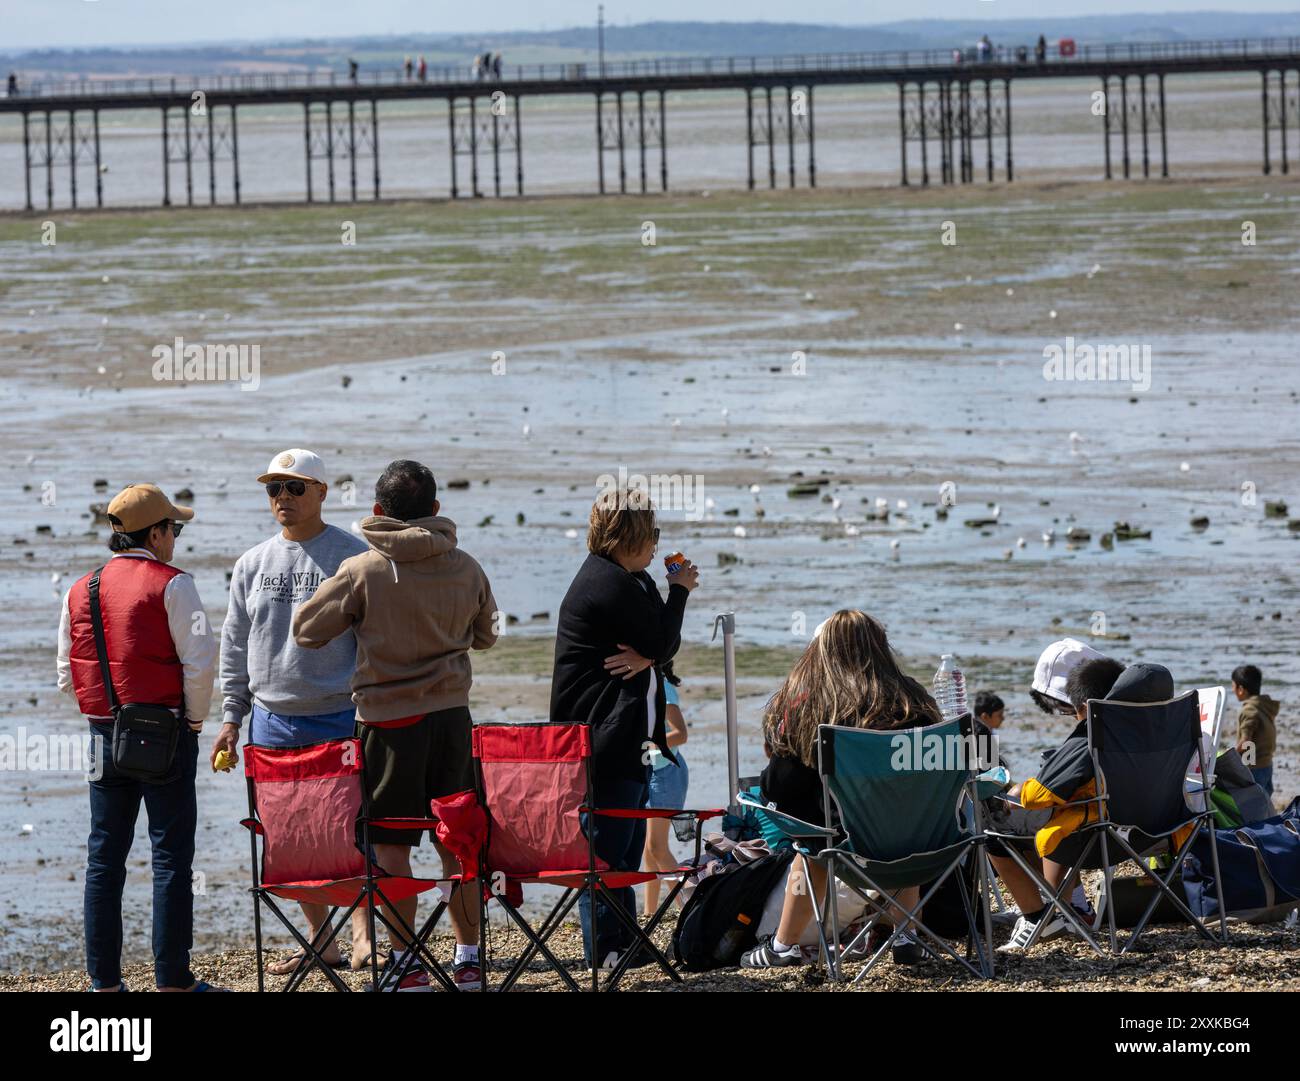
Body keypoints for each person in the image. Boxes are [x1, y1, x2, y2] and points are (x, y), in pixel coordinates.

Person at [293, 460, 497, 991]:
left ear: (379, 512)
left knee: (390, 845)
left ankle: (407, 963)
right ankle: (469, 957)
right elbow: (488, 635)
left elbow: (307, 630)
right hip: (452, 719)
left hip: (387, 724)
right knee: (460, 841)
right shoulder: (467, 566)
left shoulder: (364, 570)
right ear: (435, 510)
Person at [211, 449, 373, 975]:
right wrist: (231, 719)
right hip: (271, 718)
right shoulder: (251, 563)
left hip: (339, 715)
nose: (282, 498)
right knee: (292, 837)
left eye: (294, 487)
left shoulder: (354, 556)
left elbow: (374, 639)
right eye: (274, 489)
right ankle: (320, 937)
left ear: (322, 492)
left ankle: (364, 934)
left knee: (351, 832)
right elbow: (234, 646)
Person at [56, 483, 221, 992]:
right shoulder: (174, 584)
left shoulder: (79, 588)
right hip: (165, 734)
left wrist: (105, 714)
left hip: (103, 737)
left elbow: (66, 674)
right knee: (171, 859)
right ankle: (173, 980)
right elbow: (200, 664)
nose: (176, 536)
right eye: (174, 527)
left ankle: (103, 985)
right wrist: (193, 724)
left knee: (104, 860)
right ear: (155, 532)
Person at [740, 610, 944, 969]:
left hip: (847, 850)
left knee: (812, 844)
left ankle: (783, 945)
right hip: (927, 844)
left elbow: (780, 788)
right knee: (901, 818)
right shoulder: (915, 700)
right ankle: (907, 937)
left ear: (823, 651)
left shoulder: (817, 707)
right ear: (881, 648)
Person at [550, 485, 699, 970]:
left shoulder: (631, 580)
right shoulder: (606, 582)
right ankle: (604, 950)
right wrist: (680, 591)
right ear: (628, 535)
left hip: (627, 737)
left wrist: (653, 652)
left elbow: (659, 644)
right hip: (601, 738)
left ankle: (624, 942)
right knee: (608, 854)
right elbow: (661, 639)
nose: (657, 543)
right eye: (651, 533)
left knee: (627, 849)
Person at [995, 655, 1122, 951]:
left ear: (1084, 708)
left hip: (1093, 835)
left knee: (995, 830)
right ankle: (1063, 905)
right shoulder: (1148, 728)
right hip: (1149, 831)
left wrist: (1013, 792)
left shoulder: (1087, 737)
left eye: (1072, 712)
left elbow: (1041, 793)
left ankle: (1038, 914)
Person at [641, 662, 688, 916]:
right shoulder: (646, 682)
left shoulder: (661, 686)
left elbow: (680, 734)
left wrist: (645, 745)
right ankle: (649, 912)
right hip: (653, 772)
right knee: (649, 849)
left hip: (667, 772)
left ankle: (687, 908)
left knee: (658, 848)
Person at [1231, 664, 1278, 798]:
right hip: (1267, 763)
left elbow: (1246, 742)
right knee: (1265, 800)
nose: (1232, 689)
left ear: (1241, 689)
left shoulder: (1249, 710)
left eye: (1233, 686)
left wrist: (1231, 755)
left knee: (1252, 802)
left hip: (1254, 767)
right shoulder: (1263, 705)